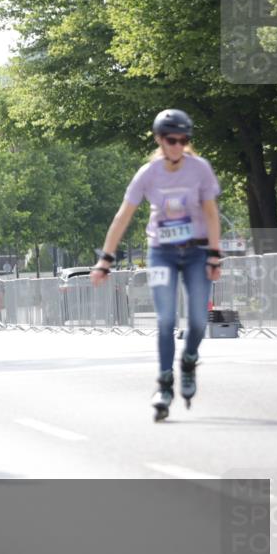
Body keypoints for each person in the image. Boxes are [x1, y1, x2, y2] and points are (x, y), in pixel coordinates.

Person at [91, 108, 222, 421]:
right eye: (171, 139)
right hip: (161, 251)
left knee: (199, 322)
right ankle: (164, 384)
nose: (177, 145)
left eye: (183, 140)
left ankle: (189, 361)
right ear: (159, 140)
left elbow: (211, 213)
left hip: (196, 251)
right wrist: (105, 260)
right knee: (165, 321)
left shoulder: (200, 169)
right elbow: (123, 217)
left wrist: (215, 253)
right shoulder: (148, 174)